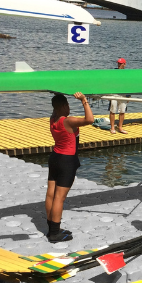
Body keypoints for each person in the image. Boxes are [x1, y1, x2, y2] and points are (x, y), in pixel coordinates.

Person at [46, 92, 94, 243]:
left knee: (51, 194)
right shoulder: (68, 121)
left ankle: (51, 227)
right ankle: (54, 234)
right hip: (66, 161)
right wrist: (84, 100)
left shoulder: (52, 119)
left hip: (54, 158)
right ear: (61, 106)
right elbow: (90, 119)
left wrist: (57, 93)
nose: (68, 107)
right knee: (60, 197)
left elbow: (56, 108)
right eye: (66, 105)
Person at [109, 58, 129, 134]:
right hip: (114, 93)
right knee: (113, 110)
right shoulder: (113, 72)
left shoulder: (127, 74)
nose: (119, 65)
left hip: (123, 93)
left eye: (120, 64)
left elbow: (129, 85)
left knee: (122, 110)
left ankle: (120, 127)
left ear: (124, 64)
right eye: (118, 63)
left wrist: (128, 96)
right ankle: (112, 127)